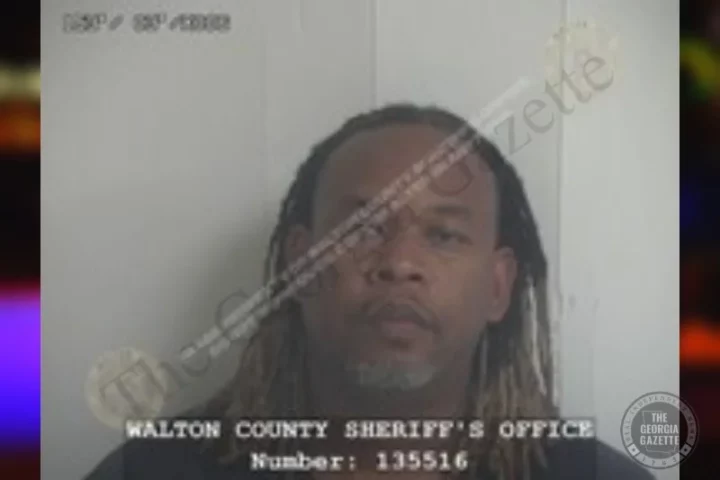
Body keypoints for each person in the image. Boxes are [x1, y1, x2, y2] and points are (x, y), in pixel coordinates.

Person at [85, 105, 654, 479]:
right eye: (362, 230)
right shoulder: (155, 471)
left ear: (498, 286)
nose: (400, 263)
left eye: (443, 235)